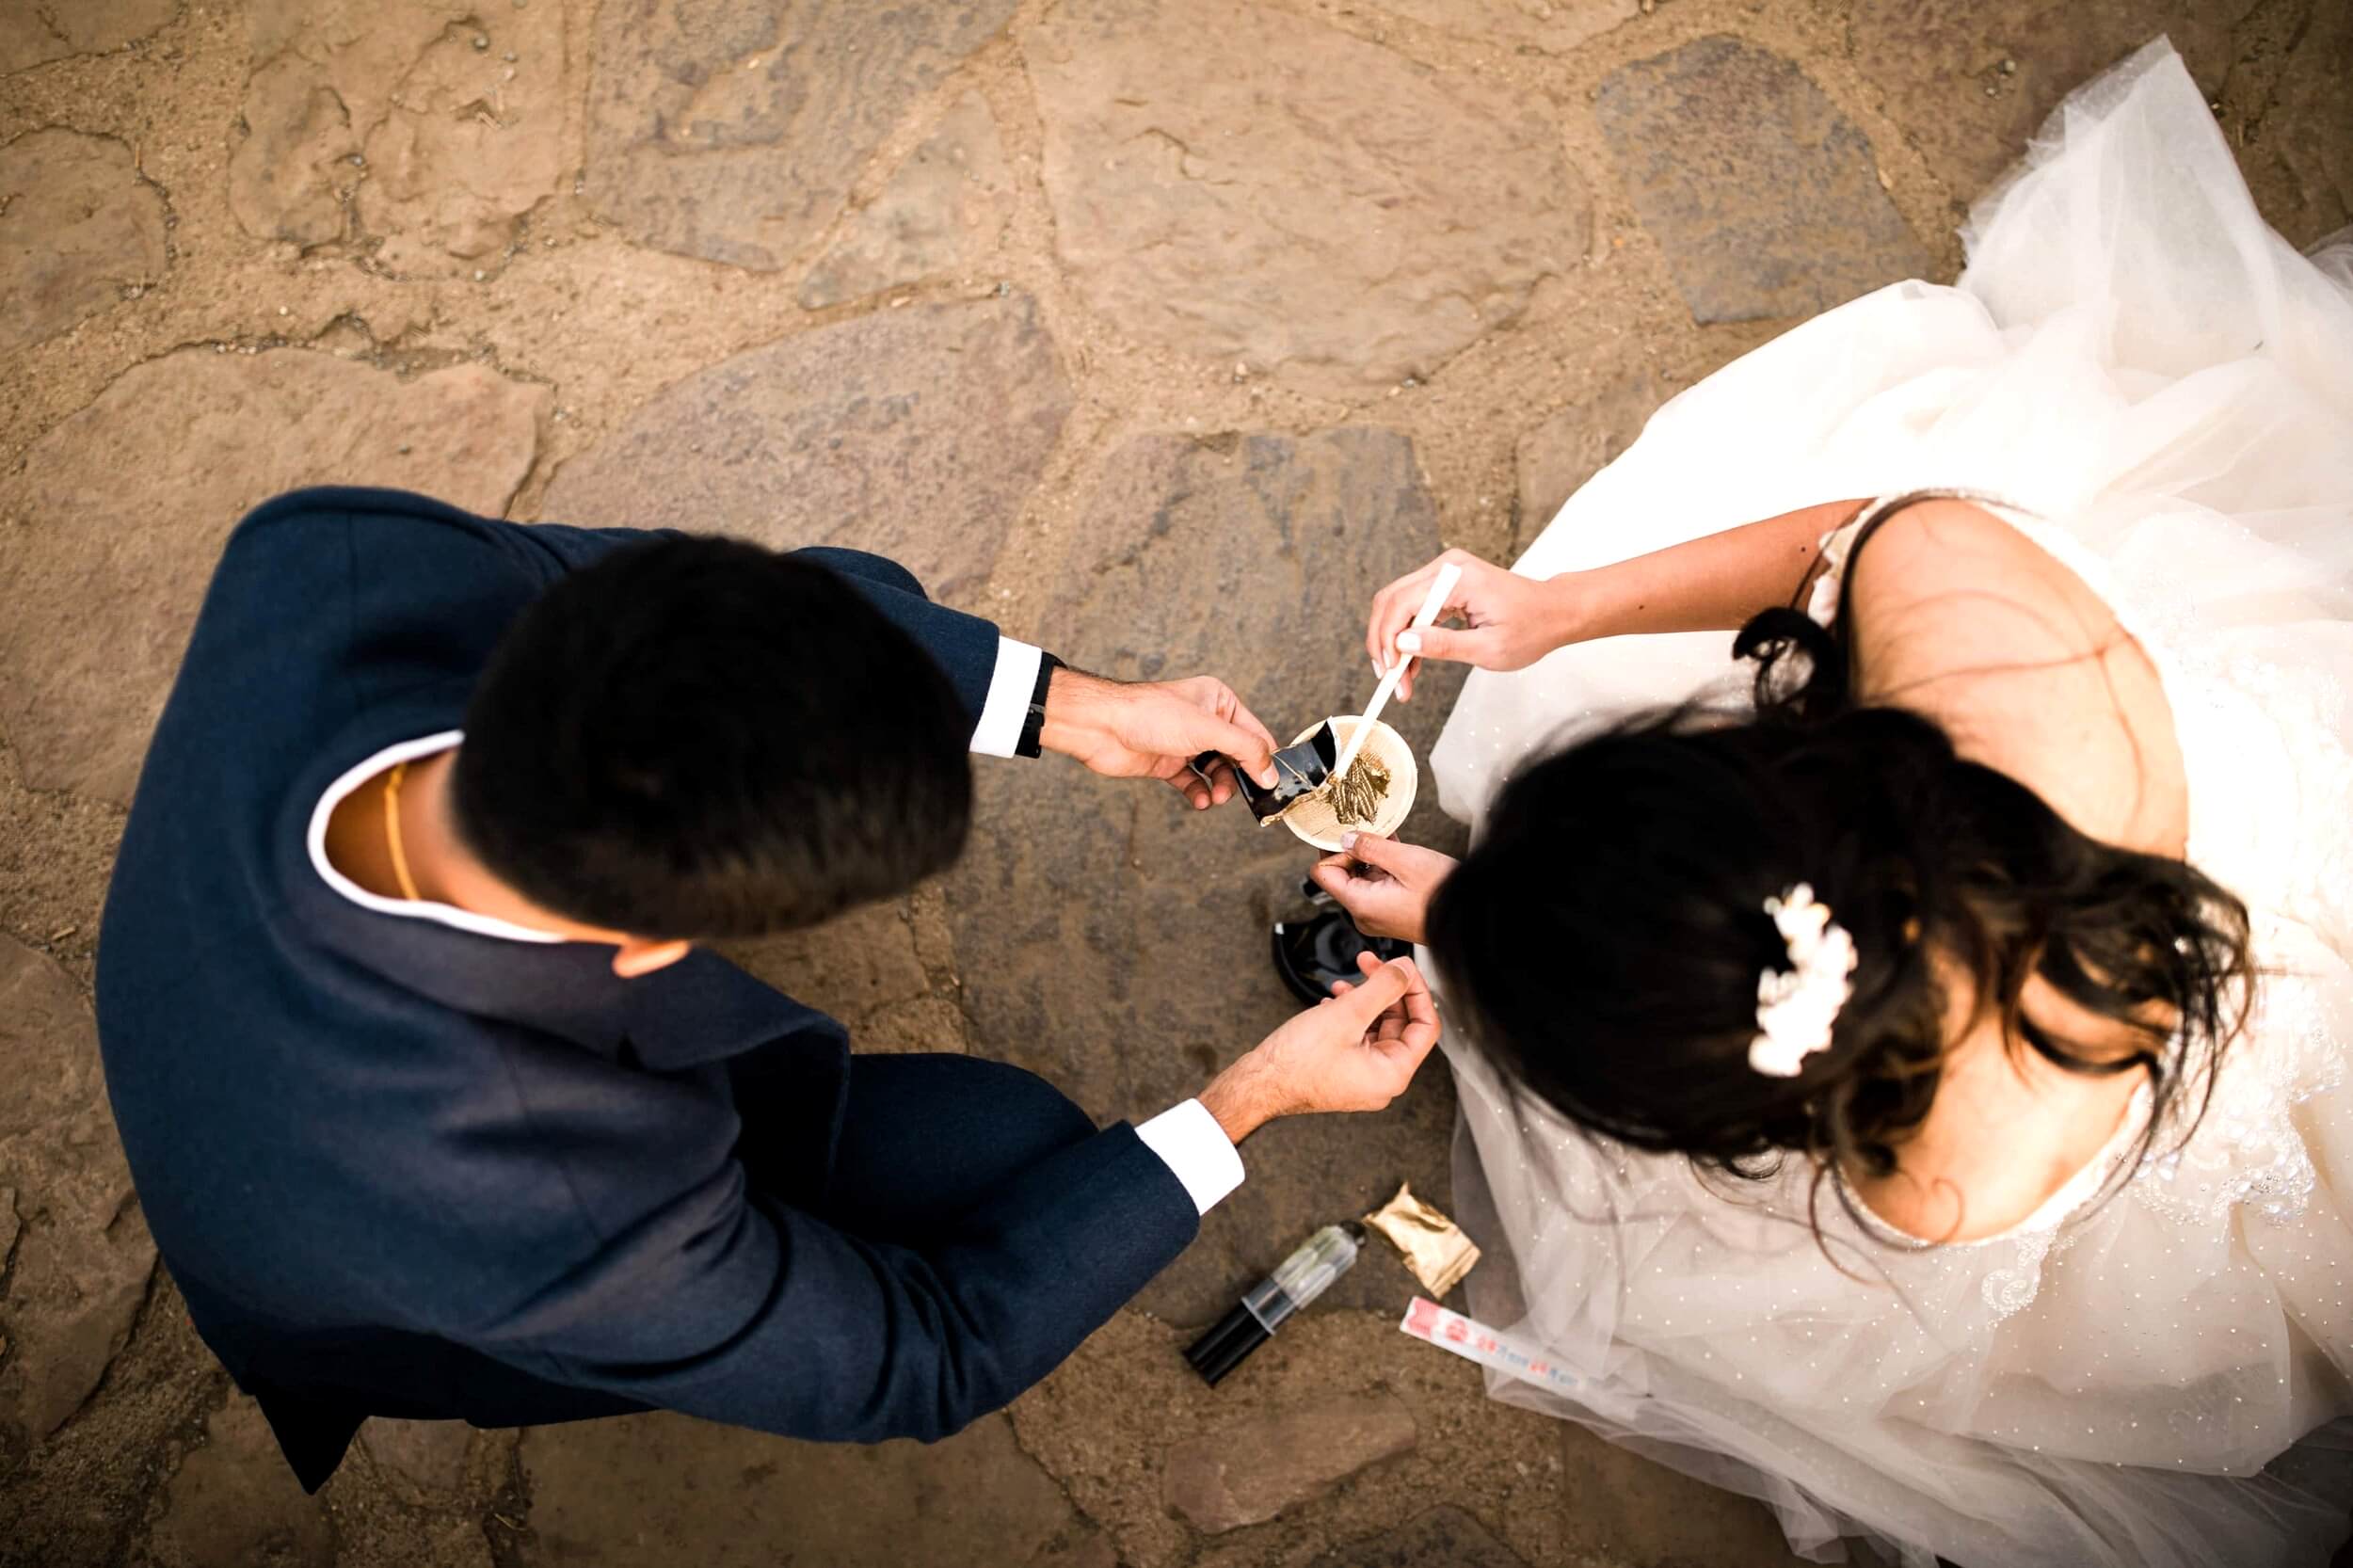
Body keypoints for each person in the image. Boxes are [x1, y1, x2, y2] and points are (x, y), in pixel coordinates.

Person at [1312, 40, 2353, 1568]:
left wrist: (1495, 942)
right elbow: (1845, 542)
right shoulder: (1969, 613)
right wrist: (1553, 610)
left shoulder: (1928, 1181)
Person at [94, 486, 1440, 1491]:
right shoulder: (557, 1206)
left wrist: (1082, 709)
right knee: (1017, 1150)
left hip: (244, 951)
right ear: (650, 944)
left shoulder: (328, 559)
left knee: (855, 588)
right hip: (364, 1248)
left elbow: (741, 608)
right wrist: (1254, 1095)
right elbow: (923, 1360)